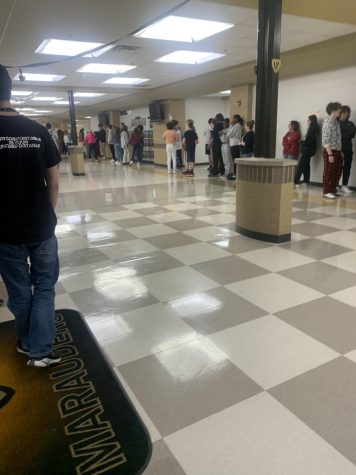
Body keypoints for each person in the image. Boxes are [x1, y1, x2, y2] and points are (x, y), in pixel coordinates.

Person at [0, 64, 61, 367]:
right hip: (41, 226)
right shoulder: (38, 131)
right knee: (45, 287)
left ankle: (27, 343)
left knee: (19, 291)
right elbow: (55, 181)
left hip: (5, 230)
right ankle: (41, 348)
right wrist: (48, 214)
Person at [322, 102, 343, 199]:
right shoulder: (327, 123)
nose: (340, 112)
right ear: (333, 111)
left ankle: (333, 190)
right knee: (328, 172)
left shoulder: (336, 123)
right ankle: (326, 191)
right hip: (330, 151)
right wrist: (330, 154)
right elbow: (325, 140)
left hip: (337, 151)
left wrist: (339, 151)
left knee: (337, 172)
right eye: (339, 110)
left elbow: (338, 138)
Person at [294, 115, 319, 187]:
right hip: (310, 150)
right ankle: (306, 181)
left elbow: (308, 140)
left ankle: (295, 181)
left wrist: (301, 142)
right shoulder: (315, 128)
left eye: (308, 120)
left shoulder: (312, 129)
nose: (307, 122)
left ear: (311, 121)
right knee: (306, 165)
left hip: (307, 150)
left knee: (301, 165)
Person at [339, 105, 356, 193]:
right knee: (337, 168)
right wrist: (343, 135)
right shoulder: (336, 123)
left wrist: (341, 135)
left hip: (348, 149)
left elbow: (352, 135)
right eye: (343, 113)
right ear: (340, 113)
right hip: (338, 150)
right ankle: (335, 185)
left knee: (347, 168)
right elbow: (334, 136)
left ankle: (344, 185)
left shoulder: (351, 124)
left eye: (347, 113)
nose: (345, 115)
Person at [209, 113, 225, 177]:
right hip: (221, 143)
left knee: (215, 158)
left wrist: (211, 129)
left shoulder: (216, 125)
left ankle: (215, 171)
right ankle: (222, 170)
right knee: (221, 158)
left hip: (215, 143)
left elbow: (214, 134)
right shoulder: (223, 125)